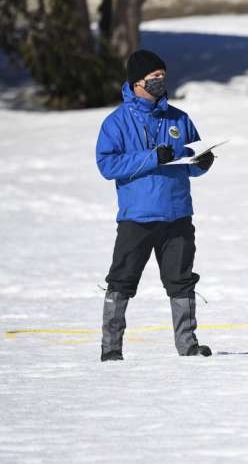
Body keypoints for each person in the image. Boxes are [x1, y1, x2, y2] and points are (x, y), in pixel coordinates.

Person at [96, 49, 215, 361]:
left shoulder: (179, 119)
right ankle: (111, 349)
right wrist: (151, 158)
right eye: (154, 78)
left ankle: (188, 345)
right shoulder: (116, 123)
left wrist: (202, 162)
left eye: (163, 76)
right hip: (137, 217)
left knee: (182, 280)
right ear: (137, 82)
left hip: (177, 215)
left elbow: (190, 160)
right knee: (122, 280)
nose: (161, 82)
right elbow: (107, 166)